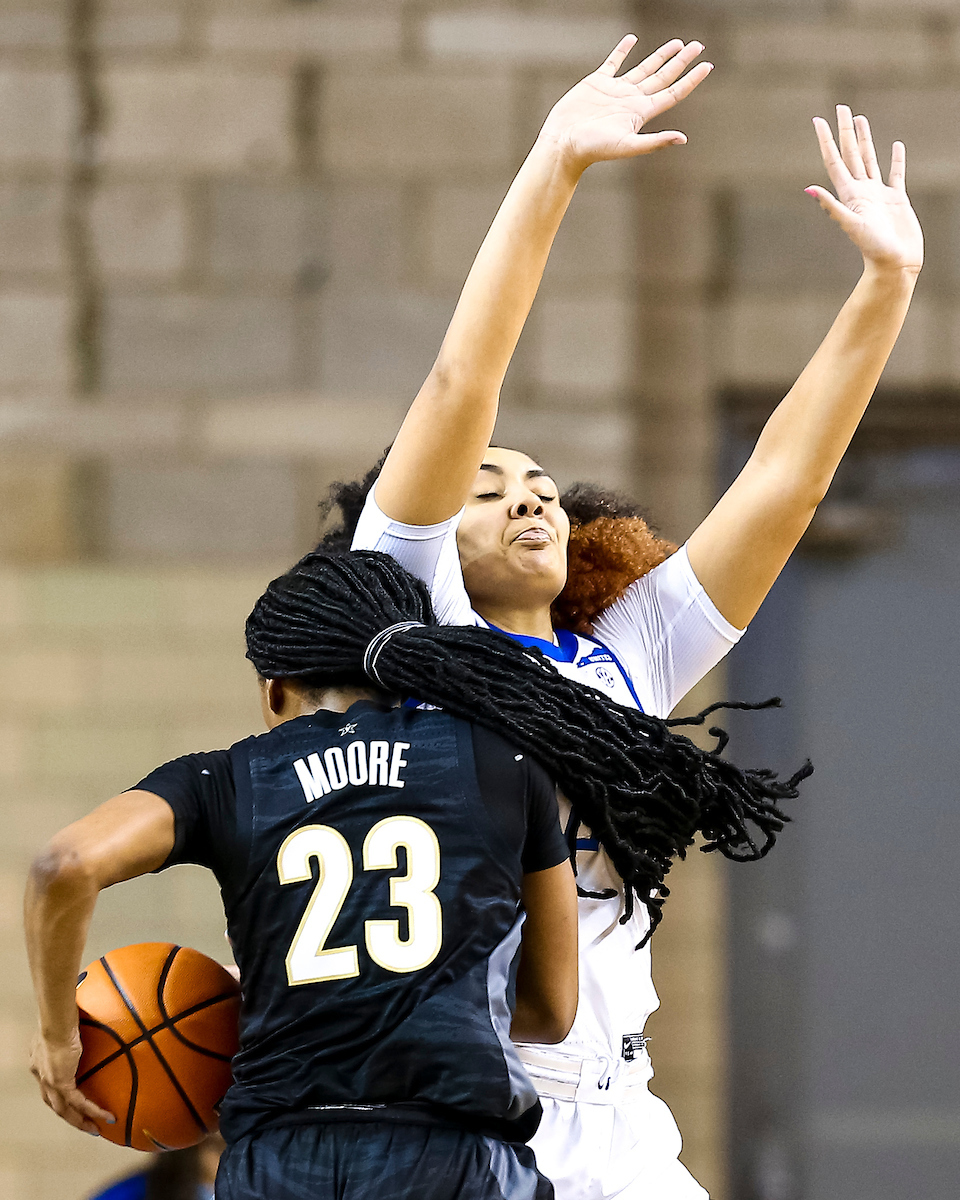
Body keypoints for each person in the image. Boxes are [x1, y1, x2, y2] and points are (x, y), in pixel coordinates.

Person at [342, 32, 924, 1200]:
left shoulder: (626, 659)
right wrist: (552, 166)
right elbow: (465, 381)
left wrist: (887, 287)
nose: (528, 498)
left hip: (622, 1116)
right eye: (489, 488)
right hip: (470, 1106)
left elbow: (784, 484)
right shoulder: (418, 623)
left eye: (542, 485)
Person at [25, 550, 580, 1200]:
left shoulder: (228, 779)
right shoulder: (502, 765)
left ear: (275, 688)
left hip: (279, 1162)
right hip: (449, 1156)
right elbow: (550, 1009)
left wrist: (59, 1036)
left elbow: (63, 866)